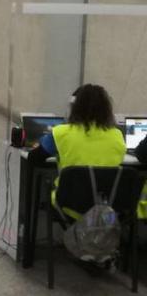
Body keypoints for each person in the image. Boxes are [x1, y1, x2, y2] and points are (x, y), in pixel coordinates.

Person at [28, 84, 125, 214]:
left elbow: (34, 158)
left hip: (70, 205)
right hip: (107, 206)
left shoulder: (61, 133)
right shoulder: (117, 135)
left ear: (75, 107)